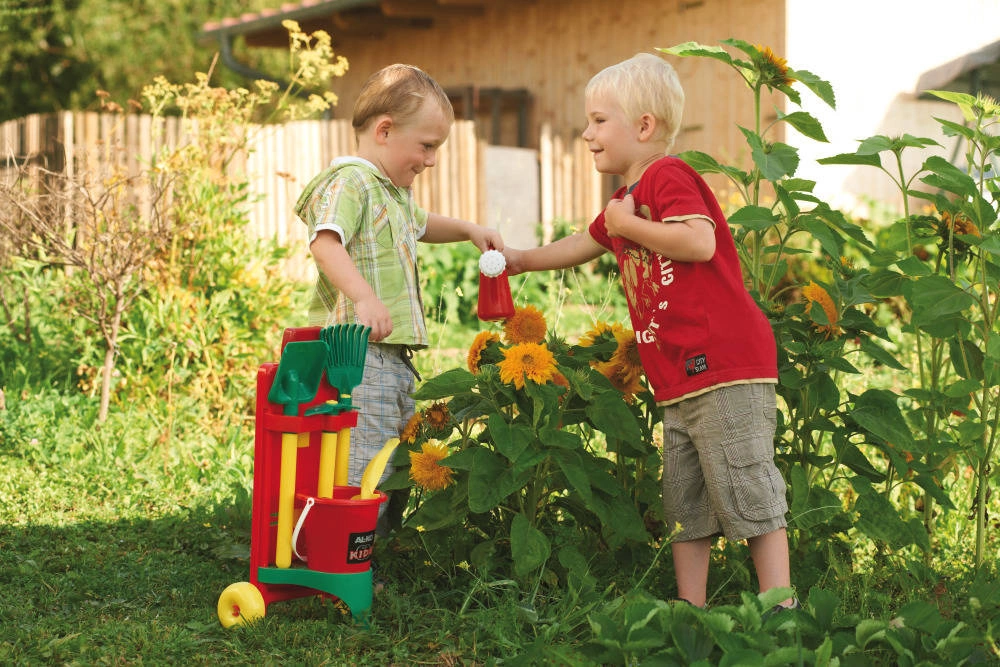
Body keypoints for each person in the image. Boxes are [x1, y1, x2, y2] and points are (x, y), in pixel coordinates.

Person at [502, 53, 794, 610]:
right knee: (686, 505)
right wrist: (520, 259)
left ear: (644, 127)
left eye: (598, 120)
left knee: (748, 487)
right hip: (680, 379)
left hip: (724, 365)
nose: (586, 133)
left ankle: (781, 613)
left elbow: (699, 242)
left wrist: (630, 225)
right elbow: (579, 244)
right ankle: (691, 611)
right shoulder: (622, 204)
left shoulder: (668, 175)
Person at [295, 64, 503, 524]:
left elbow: (423, 224)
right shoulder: (350, 182)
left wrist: (469, 229)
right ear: (385, 130)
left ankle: (376, 551)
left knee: (394, 454)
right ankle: (347, 555)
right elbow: (324, 241)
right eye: (427, 146)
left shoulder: (393, 193)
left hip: (392, 356)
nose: (431, 160)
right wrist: (365, 298)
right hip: (358, 354)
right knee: (364, 458)